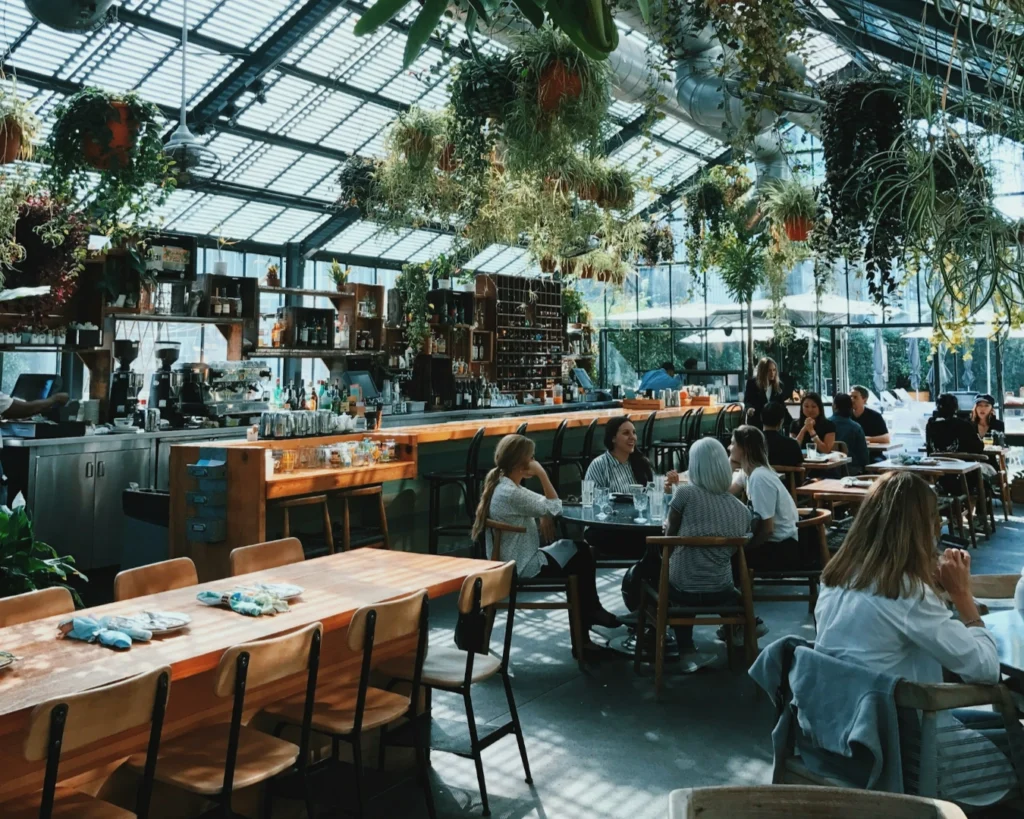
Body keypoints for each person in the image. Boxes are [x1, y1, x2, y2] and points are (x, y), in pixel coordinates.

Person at [815, 471, 1012, 804]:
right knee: (1013, 732)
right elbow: (985, 669)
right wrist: (962, 597)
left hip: (841, 736)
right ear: (924, 529)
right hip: (905, 751)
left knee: (1000, 726)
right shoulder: (906, 593)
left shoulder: (837, 577)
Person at [472, 435, 620, 644]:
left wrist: (542, 513)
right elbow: (555, 506)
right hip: (523, 565)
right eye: (532, 458)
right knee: (582, 556)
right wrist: (542, 474)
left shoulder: (503, 485)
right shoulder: (511, 493)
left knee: (579, 551)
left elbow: (540, 504)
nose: (535, 462)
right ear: (521, 462)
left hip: (513, 559)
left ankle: (588, 622)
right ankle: (587, 626)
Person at [662, 438, 753, 671]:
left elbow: (668, 540)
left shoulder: (685, 494)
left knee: (657, 572)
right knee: (711, 575)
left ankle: (680, 646)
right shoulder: (742, 511)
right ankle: (743, 630)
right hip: (721, 591)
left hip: (682, 590)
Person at [729, 425, 802, 571]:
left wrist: (747, 548)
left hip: (782, 549)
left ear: (744, 449)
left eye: (733, 443)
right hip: (774, 543)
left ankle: (743, 593)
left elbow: (767, 529)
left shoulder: (759, 477)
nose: (729, 447)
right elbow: (725, 493)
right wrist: (730, 465)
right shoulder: (747, 473)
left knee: (723, 558)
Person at [829, 393, 870, 474]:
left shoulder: (824, 424)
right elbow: (863, 457)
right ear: (850, 407)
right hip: (851, 471)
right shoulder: (856, 427)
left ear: (834, 406)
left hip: (827, 471)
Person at [743, 357, 787, 428]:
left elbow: (782, 406)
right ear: (762, 371)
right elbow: (747, 401)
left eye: (774, 370)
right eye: (769, 370)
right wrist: (749, 409)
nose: (772, 373)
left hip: (773, 424)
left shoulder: (779, 385)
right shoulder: (752, 383)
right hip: (756, 421)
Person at [761, 402, 803, 467]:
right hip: (786, 477)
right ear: (781, 421)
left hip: (759, 477)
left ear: (761, 419)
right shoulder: (792, 444)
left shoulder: (752, 443)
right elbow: (800, 470)